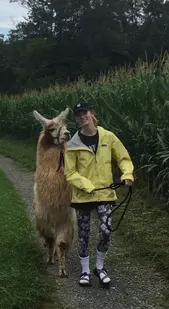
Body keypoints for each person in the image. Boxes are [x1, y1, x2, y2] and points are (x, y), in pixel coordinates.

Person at [64, 102, 134, 287]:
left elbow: (123, 158)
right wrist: (86, 185)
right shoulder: (72, 144)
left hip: (105, 193)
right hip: (82, 195)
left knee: (106, 230)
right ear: (76, 119)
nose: (82, 116)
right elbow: (70, 172)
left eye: (84, 112)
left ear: (92, 114)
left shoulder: (108, 137)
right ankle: (85, 270)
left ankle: (100, 267)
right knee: (84, 233)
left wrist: (127, 174)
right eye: (78, 114)